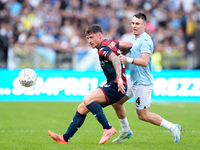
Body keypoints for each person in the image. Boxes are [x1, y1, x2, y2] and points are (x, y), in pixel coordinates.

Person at [47, 24, 132, 145]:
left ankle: (107, 128)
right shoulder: (110, 42)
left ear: (99, 35)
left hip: (116, 86)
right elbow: (129, 45)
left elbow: (116, 59)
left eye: (91, 37)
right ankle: (65, 139)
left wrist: (119, 77)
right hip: (115, 84)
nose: (89, 41)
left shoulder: (103, 49)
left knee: (87, 99)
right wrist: (122, 52)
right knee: (82, 108)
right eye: (88, 38)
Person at [112, 13, 182, 144]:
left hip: (143, 83)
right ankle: (126, 130)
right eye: (133, 23)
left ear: (144, 25)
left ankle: (173, 127)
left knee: (143, 115)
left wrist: (127, 59)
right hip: (133, 79)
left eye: (137, 23)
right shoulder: (133, 40)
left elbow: (144, 61)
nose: (134, 26)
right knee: (116, 102)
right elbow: (126, 52)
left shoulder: (145, 40)